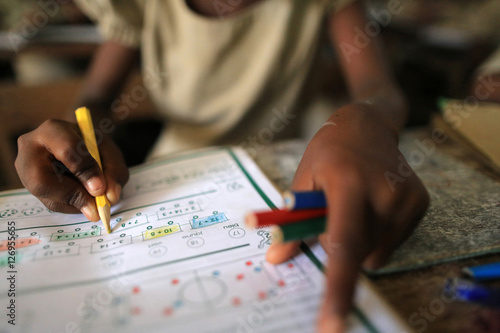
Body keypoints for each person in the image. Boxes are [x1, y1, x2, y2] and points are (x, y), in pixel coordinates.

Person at [14, 1, 429, 331]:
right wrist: (82, 141)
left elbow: (380, 91)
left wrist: (365, 116)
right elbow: (95, 99)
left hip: (292, 170)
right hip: (171, 173)